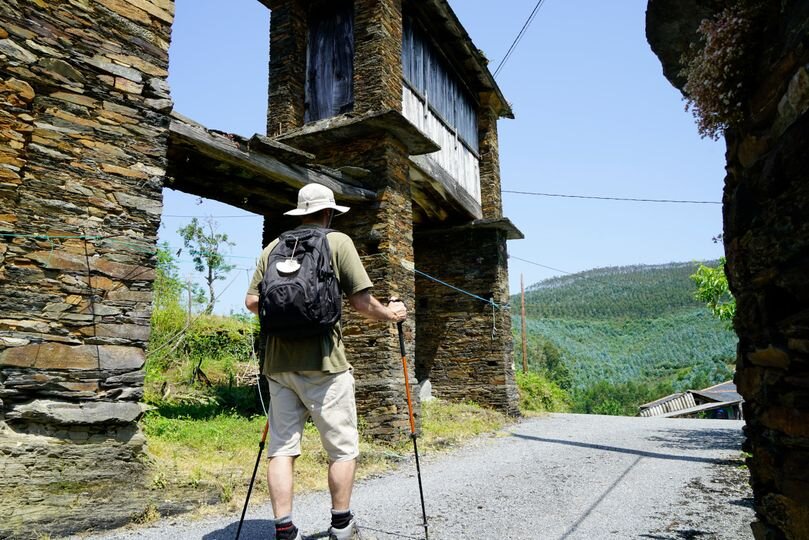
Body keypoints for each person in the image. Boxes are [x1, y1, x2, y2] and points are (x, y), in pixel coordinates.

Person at [245, 183, 407, 540]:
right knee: (342, 448)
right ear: (329, 213)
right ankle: (342, 525)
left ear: (300, 213)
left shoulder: (273, 248)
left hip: (278, 365)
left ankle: (285, 531)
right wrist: (392, 314)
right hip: (326, 365)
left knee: (282, 450)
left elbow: (252, 302)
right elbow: (363, 304)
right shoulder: (338, 242)